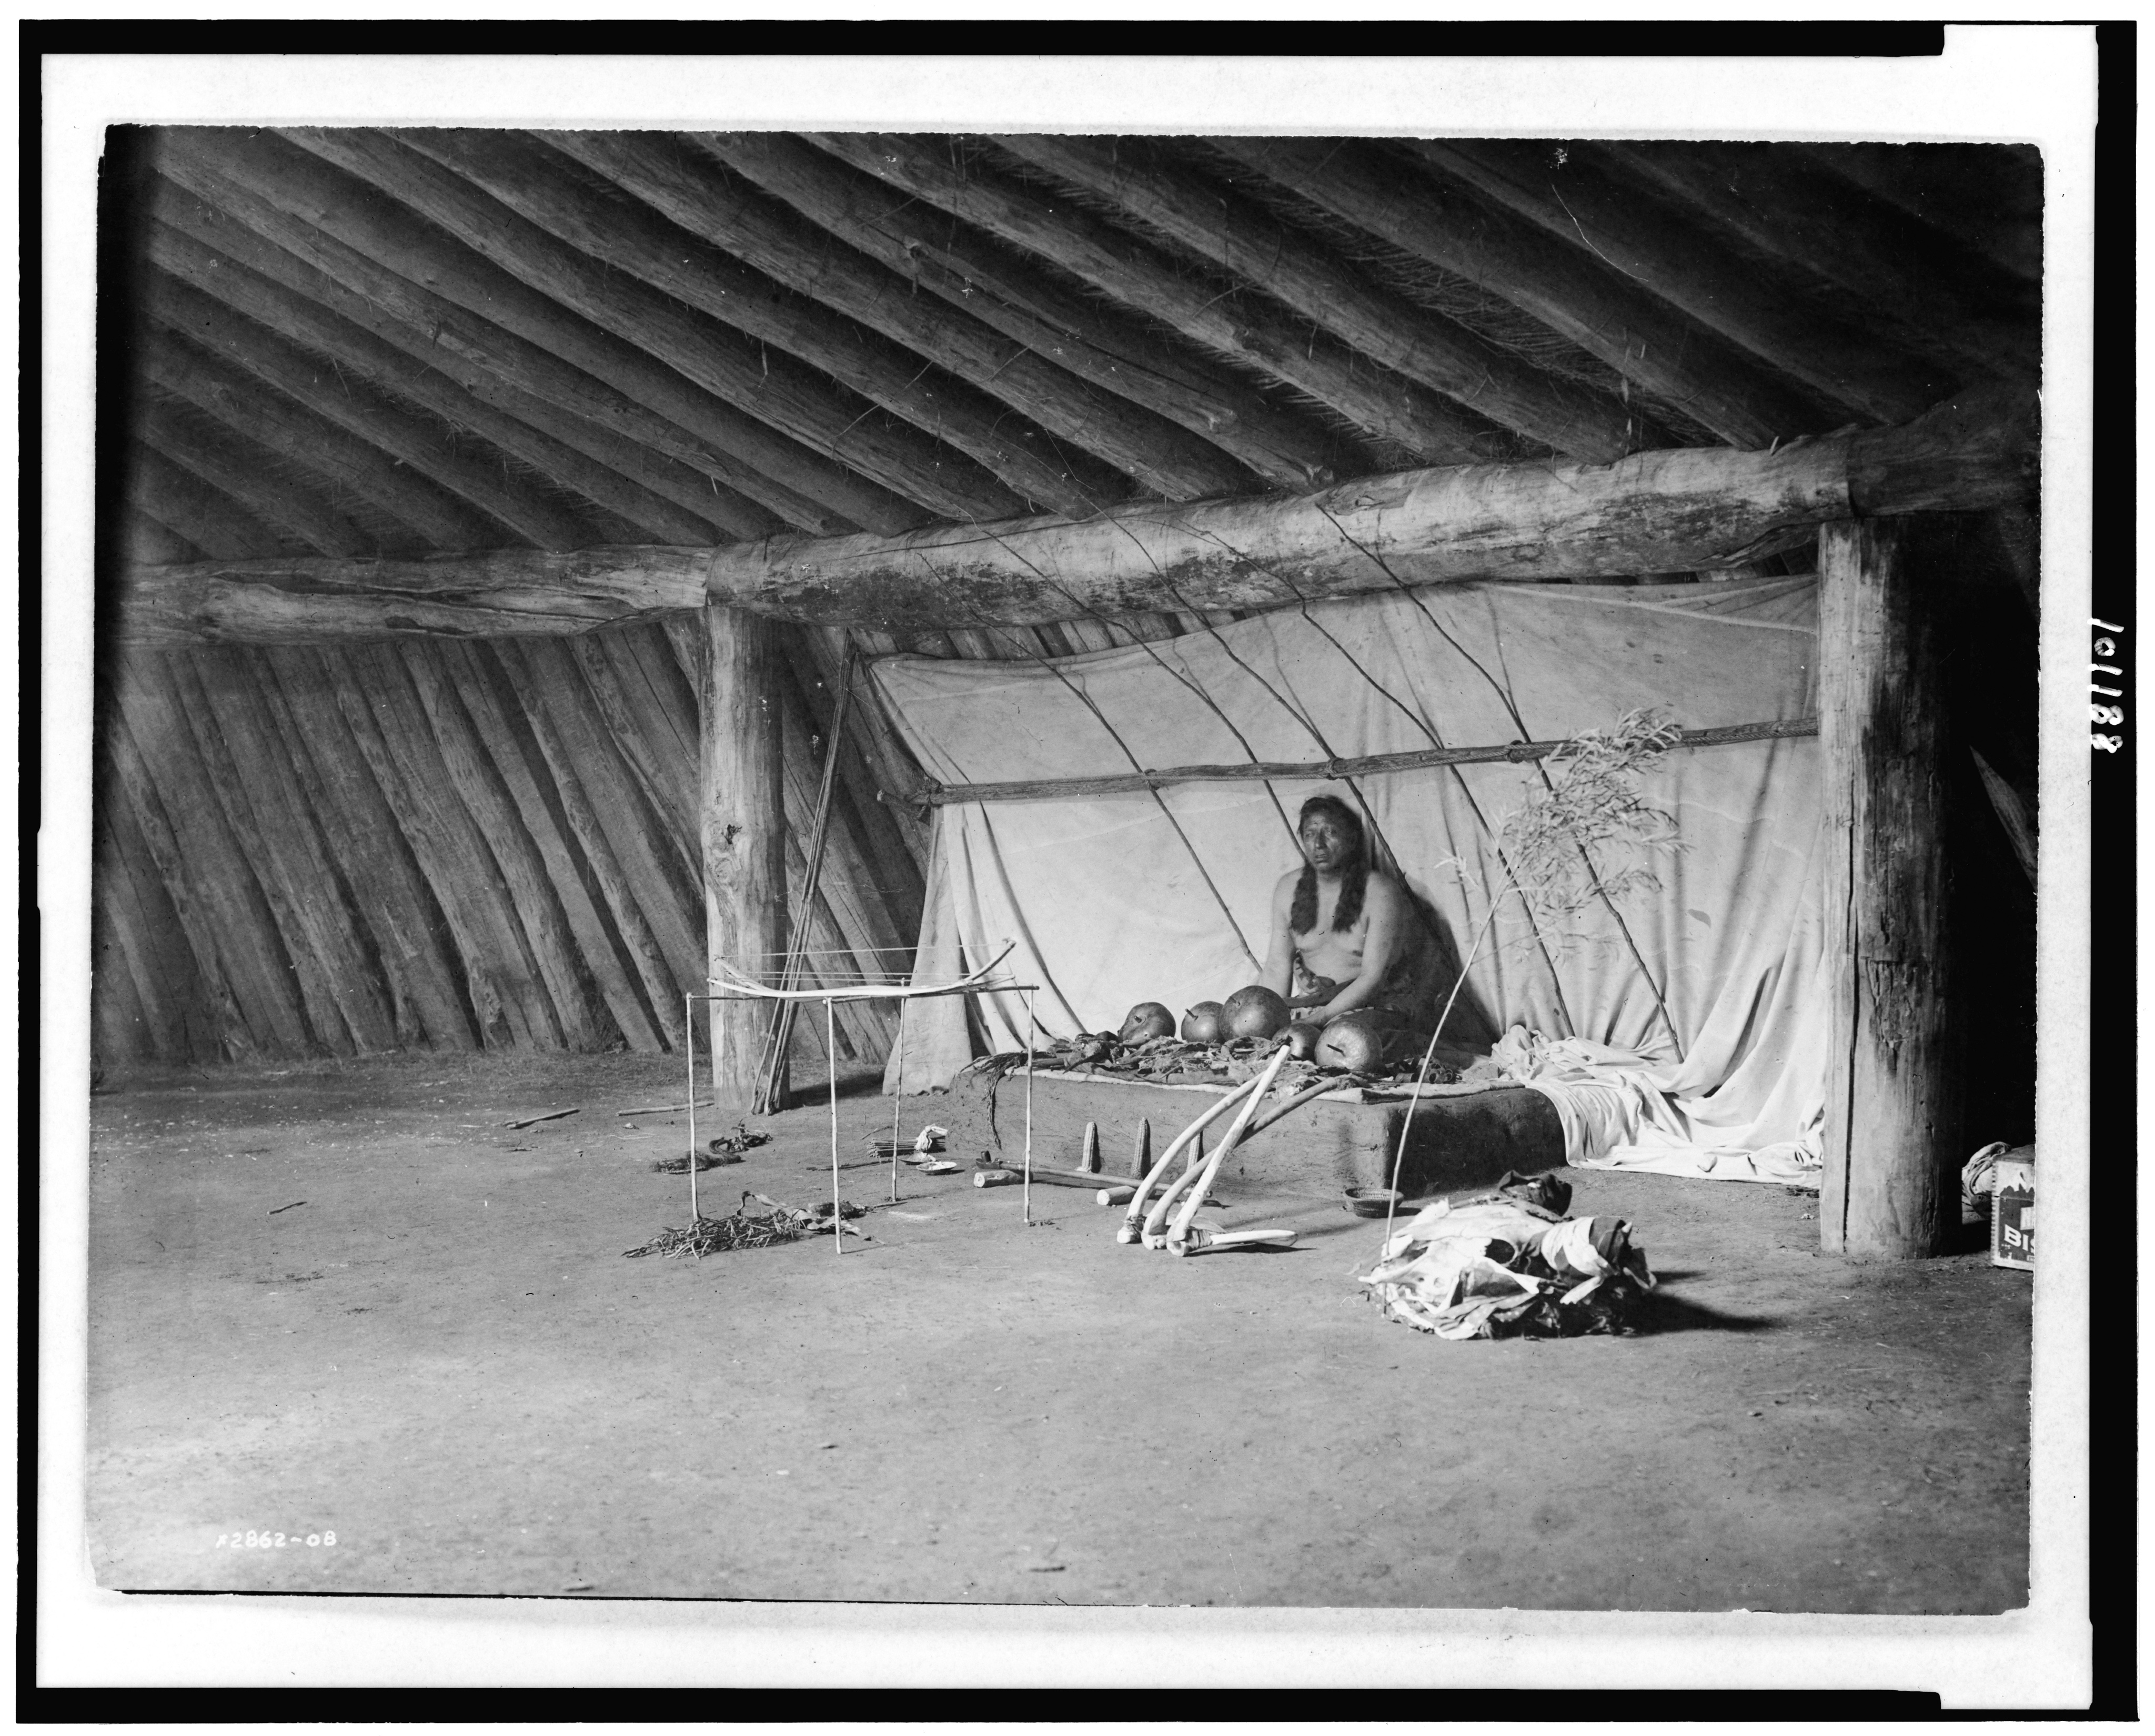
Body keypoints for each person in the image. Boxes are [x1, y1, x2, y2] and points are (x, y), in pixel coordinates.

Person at [1260, 794, 1449, 1033]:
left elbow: (1373, 978)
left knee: (1346, 1040)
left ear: (1351, 840)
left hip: (1374, 1009)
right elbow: (1277, 966)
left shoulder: (1380, 892)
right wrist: (1266, 1019)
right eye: (1310, 834)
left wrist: (1318, 1021)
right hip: (1313, 1008)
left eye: (1330, 833)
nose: (1318, 844)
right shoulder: (1288, 888)